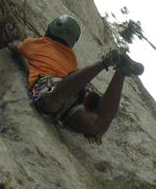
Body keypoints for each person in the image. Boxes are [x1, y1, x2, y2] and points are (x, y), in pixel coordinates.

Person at [9, 15, 144, 140]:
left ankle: (105, 63)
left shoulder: (35, 43)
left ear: (52, 28)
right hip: (74, 96)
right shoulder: (71, 57)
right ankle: (121, 73)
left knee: (50, 102)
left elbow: (15, 46)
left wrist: (15, 43)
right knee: (97, 127)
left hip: (54, 88)